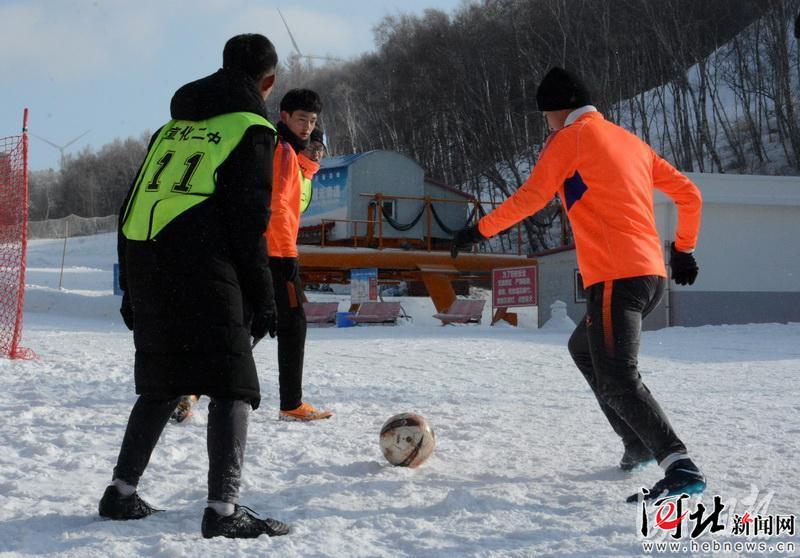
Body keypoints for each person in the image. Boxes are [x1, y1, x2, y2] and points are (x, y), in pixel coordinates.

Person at [451, 67, 705, 502]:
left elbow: (532, 196)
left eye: (545, 115)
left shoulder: (570, 139)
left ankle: (679, 465)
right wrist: (682, 248)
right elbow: (690, 195)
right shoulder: (631, 142)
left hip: (615, 277)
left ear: (556, 111)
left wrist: (479, 231)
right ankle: (637, 441)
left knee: (618, 377)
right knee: (583, 348)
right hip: (649, 275)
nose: (546, 124)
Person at [99, 34, 290, 539]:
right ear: (267, 81)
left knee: (164, 378)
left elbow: (129, 206)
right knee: (232, 382)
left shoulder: (171, 128)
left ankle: (120, 493)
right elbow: (249, 223)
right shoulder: (252, 128)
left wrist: (129, 287)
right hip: (202, 263)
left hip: (146, 256)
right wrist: (264, 297)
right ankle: (224, 512)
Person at [267, 90, 332, 421]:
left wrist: (309, 160)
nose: (308, 127)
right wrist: (285, 254)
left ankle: (191, 390)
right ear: (284, 116)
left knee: (248, 323)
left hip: (269, 248)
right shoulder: (281, 151)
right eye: (301, 119)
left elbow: (297, 193)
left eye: (313, 121)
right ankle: (291, 404)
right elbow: (278, 204)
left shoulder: (295, 155)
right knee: (293, 322)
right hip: (275, 251)